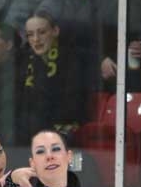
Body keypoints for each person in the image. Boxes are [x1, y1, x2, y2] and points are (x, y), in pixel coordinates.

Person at [17, 10, 89, 144]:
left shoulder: (72, 59)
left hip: (62, 132)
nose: (36, 39)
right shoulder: (25, 61)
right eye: (30, 35)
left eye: (42, 32)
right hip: (30, 134)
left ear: (55, 31)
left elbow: (72, 106)